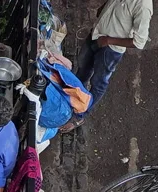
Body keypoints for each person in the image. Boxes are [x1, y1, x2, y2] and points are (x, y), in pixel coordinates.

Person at [61, 0, 152, 133]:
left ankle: (79, 116)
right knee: (82, 69)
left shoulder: (143, 6)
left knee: (98, 84)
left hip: (111, 50)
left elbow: (139, 42)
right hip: (96, 34)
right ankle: (73, 99)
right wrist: (103, 9)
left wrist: (108, 40)